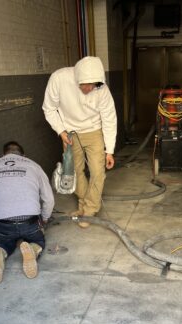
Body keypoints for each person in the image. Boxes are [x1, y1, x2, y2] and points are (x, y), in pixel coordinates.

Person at [43, 56, 117, 228]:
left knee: (98, 170)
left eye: (93, 85)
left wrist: (110, 150)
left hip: (94, 131)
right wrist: (61, 131)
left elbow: (109, 119)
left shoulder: (102, 89)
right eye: (86, 85)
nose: (90, 88)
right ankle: (84, 204)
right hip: (69, 133)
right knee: (74, 171)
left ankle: (90, 210)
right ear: (77, 78)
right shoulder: (59, 78)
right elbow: (49, 108)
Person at [0, 141, 54, 284]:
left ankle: (0, 251)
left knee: (5, 243)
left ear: (3, 155)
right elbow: (49, 199)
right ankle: (33, 249)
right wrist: (45, 218)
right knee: (39, 240)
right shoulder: (34, 165)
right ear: (23, 155)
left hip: (3, 223)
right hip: (29, 221)